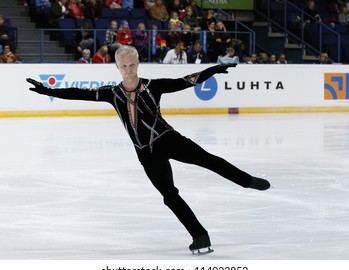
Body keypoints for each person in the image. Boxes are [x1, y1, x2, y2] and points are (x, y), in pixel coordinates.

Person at [26, 45, 270, 254]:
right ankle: (199, 236)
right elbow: (77, 93)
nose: (129, 70)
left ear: (138, 63)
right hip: (145, 152)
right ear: (117, 67)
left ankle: (246, 181)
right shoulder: (111, 94)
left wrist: (213, 70)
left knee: (208, 160)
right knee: (169, 195)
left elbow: (187, 81)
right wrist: (47, 90)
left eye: (132, 65)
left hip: (169, 139)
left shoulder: (154, 86)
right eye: (124, 66)